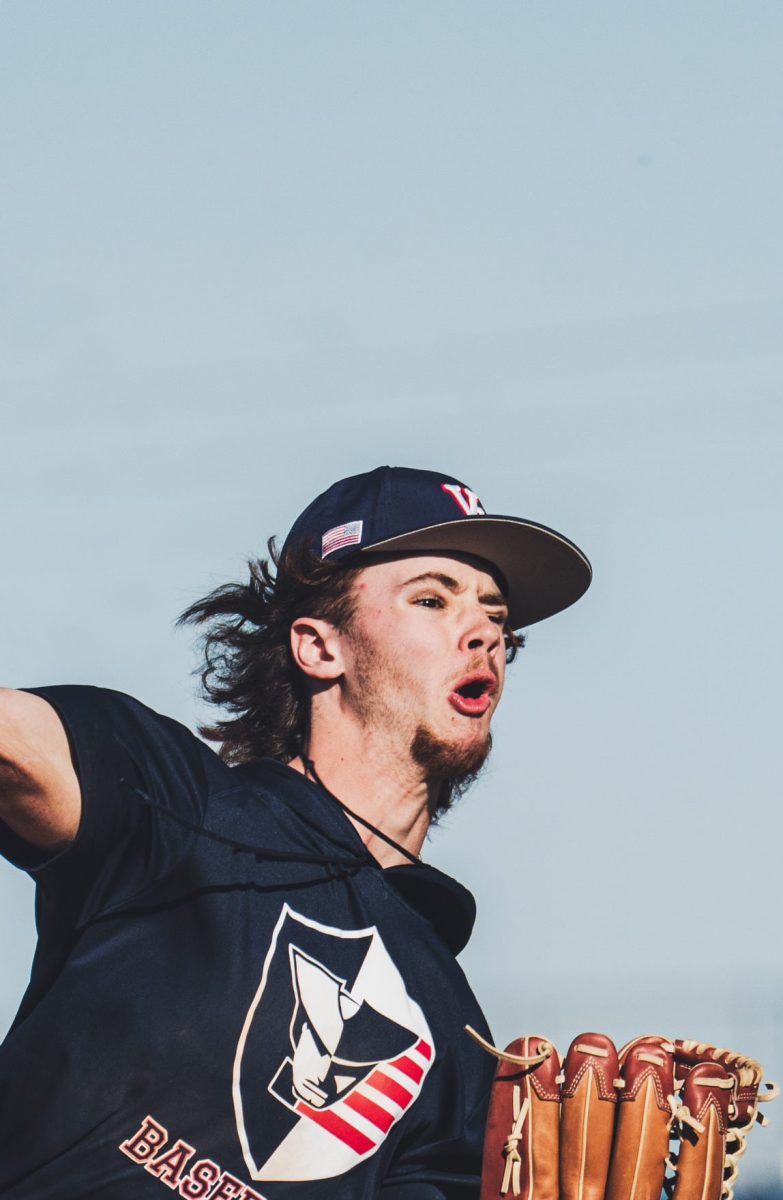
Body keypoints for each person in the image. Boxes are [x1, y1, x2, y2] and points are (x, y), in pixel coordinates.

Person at [0, 466, 591, 1199]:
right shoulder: (179, 806)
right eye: (433, 599)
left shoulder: (455, 1032)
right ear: (319, 647)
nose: (486, 635)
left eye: (498, 617)